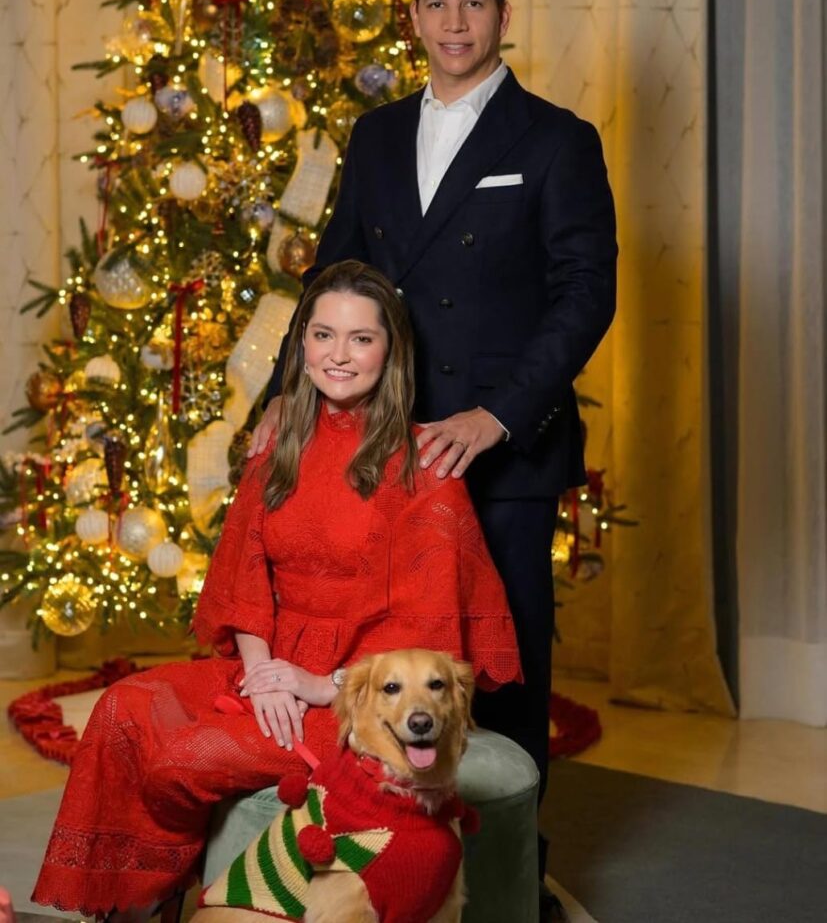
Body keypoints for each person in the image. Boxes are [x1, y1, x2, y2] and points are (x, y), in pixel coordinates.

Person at [251, 0, 617, 912]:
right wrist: (278, 403)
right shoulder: (371, 139)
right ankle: (379, 852)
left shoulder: (554, 141)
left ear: (502, 14)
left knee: (498, 674)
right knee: (387, 662)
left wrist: (496, 416)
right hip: (388, 451)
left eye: (473, 4)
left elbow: (584, 295)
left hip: (501, 453)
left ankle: (505, 879)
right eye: (435, 5)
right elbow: (333, 282)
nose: (453, 23)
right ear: (410, 17)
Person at [32, 261, 521, 921]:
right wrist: (264, 673)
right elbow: (244, 571)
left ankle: (175, 894)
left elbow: (423, 644)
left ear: (391, 350)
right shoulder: (278, 441)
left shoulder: (425, 467)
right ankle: (137, 902)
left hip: (353, 698)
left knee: (185, 754)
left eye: (360, 338)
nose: (338, 355)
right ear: (302, 344)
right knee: (123, 708)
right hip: (270, 665)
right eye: (323, 335)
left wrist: (319, 687)